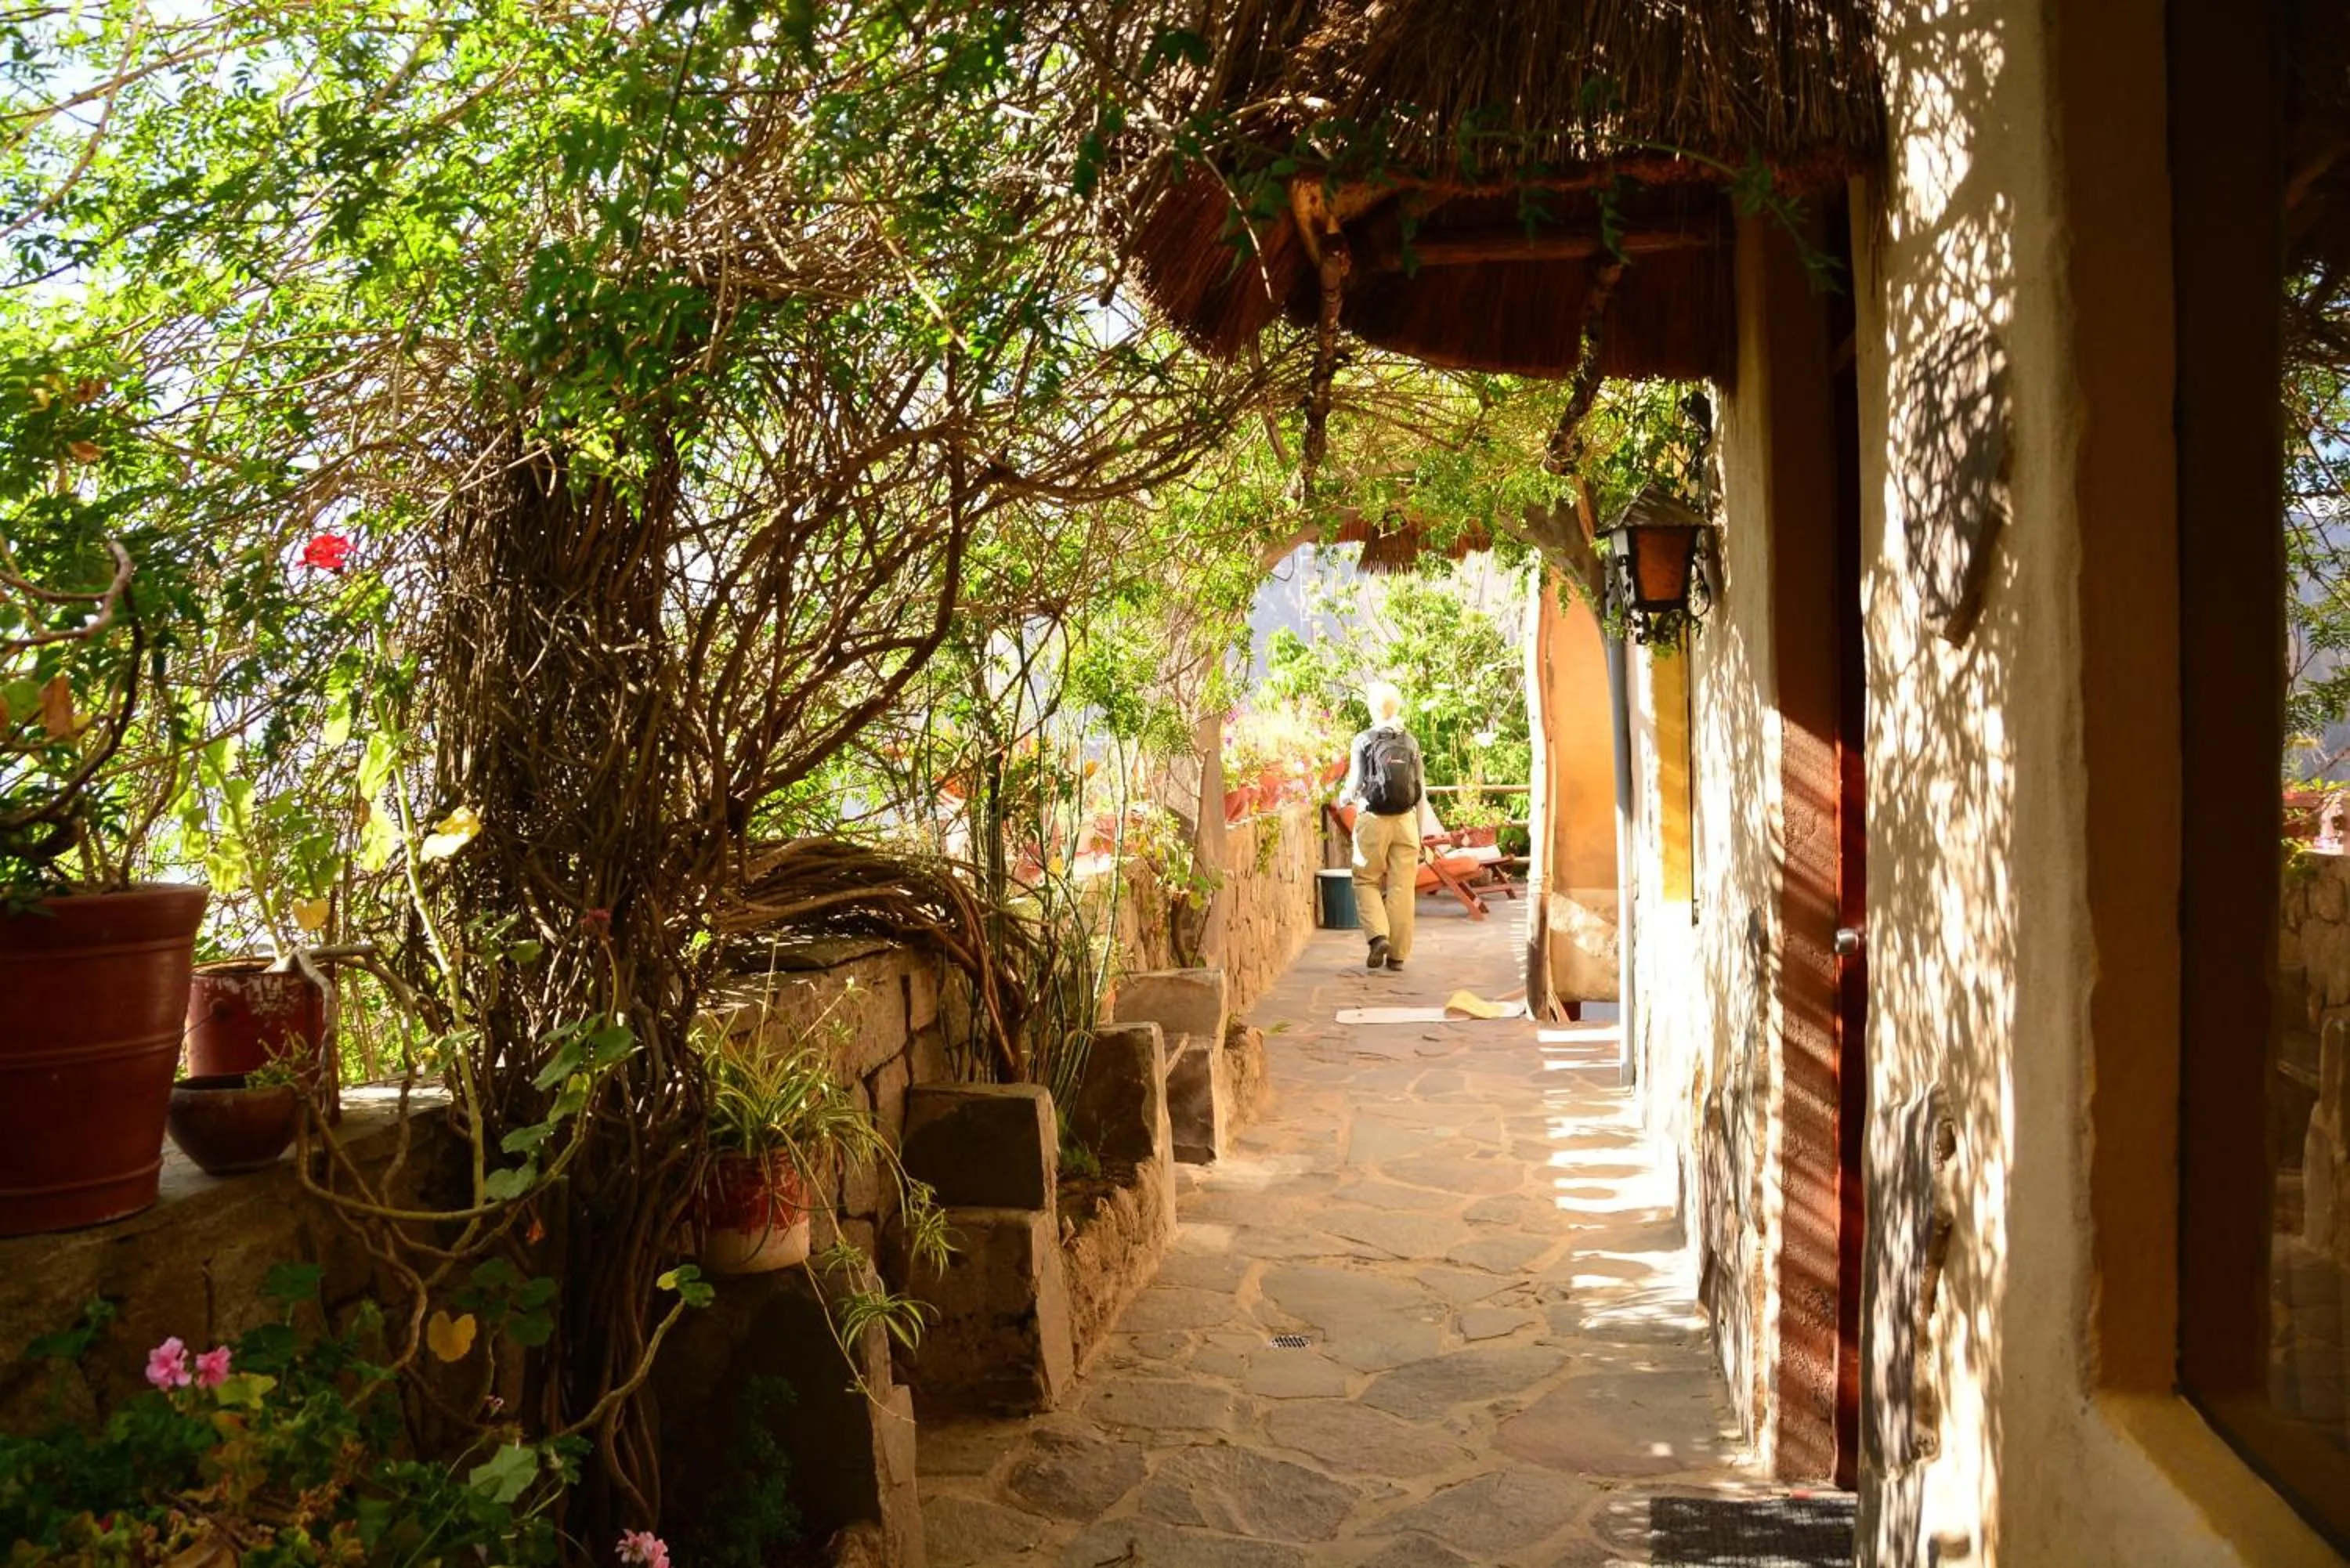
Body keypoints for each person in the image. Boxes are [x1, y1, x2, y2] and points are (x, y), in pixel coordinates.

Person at [1340, 681, 1425, 972]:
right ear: (1397, 706)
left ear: (1372, 708)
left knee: (1366, 879)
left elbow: (1355, 784)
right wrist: (1420, 831)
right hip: (1406, 820)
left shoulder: (1363, 740)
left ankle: (1378, 936)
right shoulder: (1411, 741)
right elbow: (1420, 789)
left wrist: (1342, 796)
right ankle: (1398, 955)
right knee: (1403, 887)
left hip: (1373, 818)